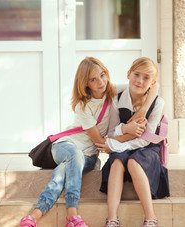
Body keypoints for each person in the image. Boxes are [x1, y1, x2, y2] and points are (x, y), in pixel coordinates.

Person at [20, 57, 159, 227]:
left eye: (102, 75)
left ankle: (35, 215)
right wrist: (128, 132)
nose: (101, 82)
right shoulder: (83, 106)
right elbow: (100, 141)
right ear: (85, 83)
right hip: (65, 145)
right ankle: (72, 213)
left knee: (62, 171)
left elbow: (154, 86)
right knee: (74, 155)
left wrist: (143, 110)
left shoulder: (112, 91)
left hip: (89, 156)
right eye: (93, 79)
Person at [96, 57, 170, 227]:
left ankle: (151, 218)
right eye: (136, 74)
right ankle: (112, 219)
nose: (139, 81)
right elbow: (112, 131)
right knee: (116, 162)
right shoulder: (117, 97)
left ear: (152, 83)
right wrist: (125, 130)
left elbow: (147, 138)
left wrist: (117, 144)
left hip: (147, 147)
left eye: (146, 78)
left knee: (133, 162)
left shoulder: (158, 103)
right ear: (128, 74)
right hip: (123, 142)